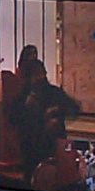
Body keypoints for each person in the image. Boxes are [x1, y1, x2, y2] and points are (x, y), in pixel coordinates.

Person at [8, 46, 81, 180]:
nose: (40, 77)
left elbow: (74, 108)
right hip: (31, 148)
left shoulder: (54, 92)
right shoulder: (23, 95)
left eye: (42, 73)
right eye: (36, 74)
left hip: (53, 145)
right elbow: (12, 118)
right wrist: (25, 107)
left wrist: (56, 112)